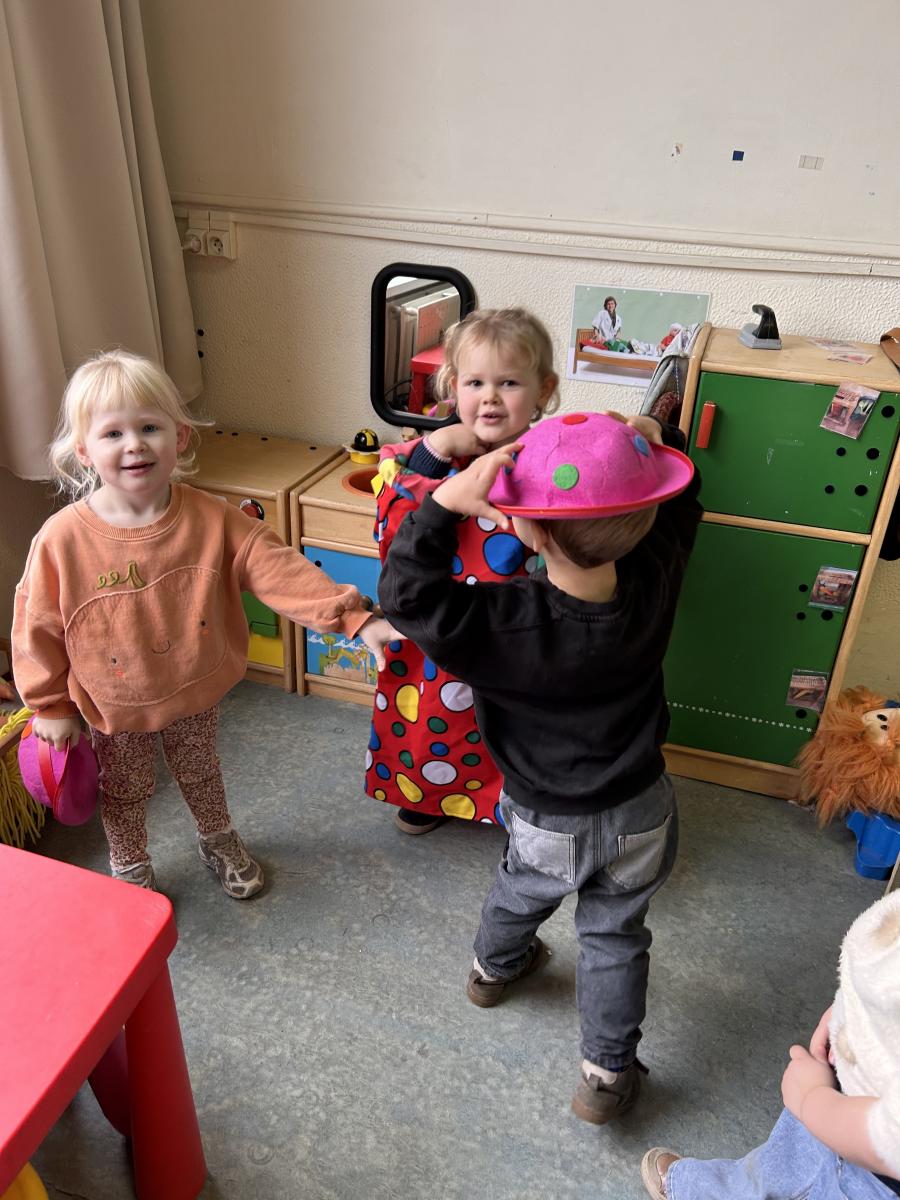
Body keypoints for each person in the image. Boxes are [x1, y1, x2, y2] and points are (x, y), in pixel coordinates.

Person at [377, 408, 701, 1121]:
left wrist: (443, 503)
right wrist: (659, 439)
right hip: (641, 806)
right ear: (643, 516)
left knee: (522, 886)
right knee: (615, 934)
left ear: (527, 528)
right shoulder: (657, 575)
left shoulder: (499, 620)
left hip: (544, 811)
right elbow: (682, 506)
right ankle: (606, 1075)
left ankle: (492, 971)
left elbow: (405, 596)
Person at [13, 349, 396, 898]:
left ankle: (216, 837)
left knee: (200, 771)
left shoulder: (213, 518)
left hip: (195, 687)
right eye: (113, 433)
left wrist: (354, 618)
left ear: (180, 436)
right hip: (113, 703)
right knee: (125, 788)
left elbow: (279, 569)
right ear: (84, 451)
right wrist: (50, 704)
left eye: (149, 427)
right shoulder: (61, 540)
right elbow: (36, 626)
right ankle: (128, 861)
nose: (134, 444)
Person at [366, 308, 559, 834]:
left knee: (509, 721)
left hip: (510, 629)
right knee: (435, 718)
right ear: (454, 388)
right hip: (435, 625)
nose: (490, 397)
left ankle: (512, 807)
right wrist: (436, 448)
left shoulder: (548, 460)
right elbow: (394, 523)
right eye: (476, 383)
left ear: (543, 390)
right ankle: (428, 794)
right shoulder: (434, 452)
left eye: (509, 383)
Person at [640, 889, 900, 1199]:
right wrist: (848, 1011)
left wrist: (812, 1099)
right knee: (784, 1162)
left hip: (876, 1175)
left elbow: (891, 1137)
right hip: (852, 1081)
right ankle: (729, 1191)